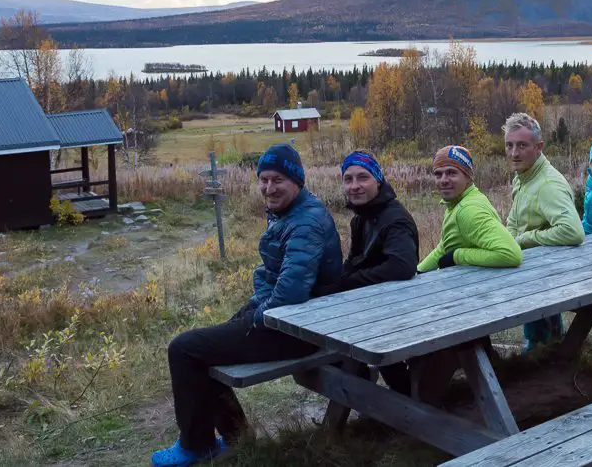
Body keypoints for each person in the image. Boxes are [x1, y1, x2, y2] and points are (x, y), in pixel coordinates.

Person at [151, 144, 342, 467]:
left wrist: (255, 314)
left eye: (277, 179)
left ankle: (198, 445)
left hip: (298, 329)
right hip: (290, 319)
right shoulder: (291, 213)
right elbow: (275, 277)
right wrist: (255, 305)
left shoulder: (306, 222)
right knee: (202, 347)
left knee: (184, 349)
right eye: (264, 180)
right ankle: (236, 436)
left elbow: (291, 293)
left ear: (297, 180)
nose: (269, 188)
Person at [313, 150, 420, 394]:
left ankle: (398, 401)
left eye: (363, 178)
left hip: (399, 310)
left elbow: (402, 266)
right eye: (348, 179)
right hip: (374, 308)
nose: (355, 186)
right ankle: (363, 386)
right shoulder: (361, 218)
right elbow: (356, 261)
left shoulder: (394, 218)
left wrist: (347, 284)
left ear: (378, 180)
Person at [501, 112, 585, 351]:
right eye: (509, 145)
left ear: (539, 147)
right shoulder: (524, 176)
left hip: (549, 277)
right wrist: (507, 242)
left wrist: (526, 239)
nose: (514, 153)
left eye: (522, 146)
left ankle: (547, 355)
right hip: (532, 273)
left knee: (543, 347)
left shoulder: (547, 185)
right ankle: (546, 349)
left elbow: (573, 232)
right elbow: (515, 220)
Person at [417, 145, 522, 272]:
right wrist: (418, 272)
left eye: (451, 173)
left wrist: (458, 256)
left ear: (468, 176)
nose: (443, 180)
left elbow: (511, 255)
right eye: (438, 174)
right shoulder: (457, 203)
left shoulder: (468, 210)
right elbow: (446, 246)